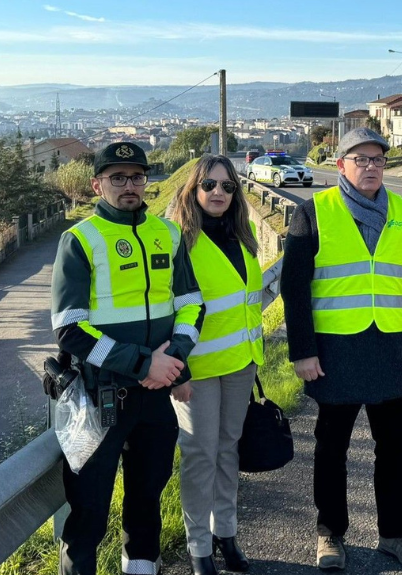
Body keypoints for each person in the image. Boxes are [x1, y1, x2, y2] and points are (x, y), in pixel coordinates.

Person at [281, 127, 402, 571]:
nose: (370, 167)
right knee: (331, 449)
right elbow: (294, 290)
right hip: (334, 353)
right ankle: (330, 533)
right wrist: (302, 351)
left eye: (377, 160)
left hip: (391, 348)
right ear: (341, 165)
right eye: (361, 159)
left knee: (397, 450)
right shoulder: (314, 212)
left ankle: (395, 534)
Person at [50, 142, 205, 575]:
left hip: (155, 397)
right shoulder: (79, 239)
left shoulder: (167, 233)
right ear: (97, 184)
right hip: (99, 398)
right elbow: (70, 329)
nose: (129, 186)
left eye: (136, 176)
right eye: (117, 178)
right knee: (89, 510)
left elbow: (192, 303)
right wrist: (144, 364)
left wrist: (173, 360)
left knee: (146, 500)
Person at [169, 155, 265, 575]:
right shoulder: (178, 242)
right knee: (200, 457)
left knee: (228, 452)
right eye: (209, 184)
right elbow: (164, 308)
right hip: (197, 372)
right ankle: (198, 548)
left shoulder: (242, 237)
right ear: (193, 188)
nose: (219, 193)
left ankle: (226, 534)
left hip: (241, 364)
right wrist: (177, 370)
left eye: (228, 186)